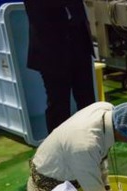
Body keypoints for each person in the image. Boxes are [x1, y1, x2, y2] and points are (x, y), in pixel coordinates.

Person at [27, 101, 127, 191]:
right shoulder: (85, 146)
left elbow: (100, 161)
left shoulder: (106, 109)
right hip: (47, 186)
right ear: (126, 136)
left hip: (69, 170)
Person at [23, 0, 96, 134]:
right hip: (51, 47)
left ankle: (91, 142)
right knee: (59, 104)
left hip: (79, 40)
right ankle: (60, 148)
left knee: (87, 99)